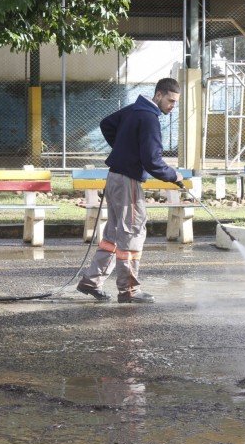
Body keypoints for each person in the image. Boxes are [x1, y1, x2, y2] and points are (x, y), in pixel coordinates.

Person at [76, 78, 184, 304]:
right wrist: (174, 176)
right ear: (158, 95)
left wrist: (124, 149)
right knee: (132, 233)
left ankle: (91, 281)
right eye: (170, 101)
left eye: (175, 103)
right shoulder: (149, 118)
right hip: (128, 182)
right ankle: (129, 291)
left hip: (114, 177)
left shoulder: (135, 109)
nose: (172, 107)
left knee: (113, 235)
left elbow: (107, 124)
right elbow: (152, 160)